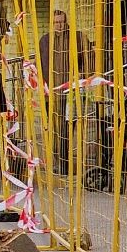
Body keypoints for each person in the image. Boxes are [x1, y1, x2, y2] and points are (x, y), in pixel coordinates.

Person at [38, 9, 91, 175]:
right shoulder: (45, 41)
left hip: (71, 93)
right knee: (55, 129)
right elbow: (39, 64)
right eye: (55, 22)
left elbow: (88, 59)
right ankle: (59, 161)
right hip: (51, 93)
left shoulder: (77, 38)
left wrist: (82, 76)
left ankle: (63, 163)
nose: (59, 25)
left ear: (66, 21)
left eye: (61, 21)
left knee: (67, 128)